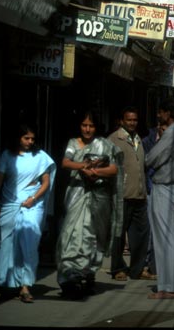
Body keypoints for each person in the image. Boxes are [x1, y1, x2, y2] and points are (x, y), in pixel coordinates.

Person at [56, 110, 123, 299]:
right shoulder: (73, 143)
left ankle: (86, 275)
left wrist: (96, 173)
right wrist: (84, 167)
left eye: (91, 125)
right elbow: (66, 163)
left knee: (93, 237)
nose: (87, 129)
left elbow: (114, 169)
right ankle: (70, 277)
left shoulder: (104, 145)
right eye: (84, 125)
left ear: (96, 127)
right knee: (72, 235)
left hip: (99, 198)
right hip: (76, 196)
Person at [0, 122, 56, 303]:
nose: (30, 141)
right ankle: (7, 283)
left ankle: (25, 285)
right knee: (6, 244)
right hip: (9, 203)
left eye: (33, 138)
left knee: (28, 243)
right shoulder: (7, 155)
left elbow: (45, 183)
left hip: (31, 205)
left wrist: (33, 199)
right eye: (26, 138)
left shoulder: (40, 156)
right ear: (17, 138)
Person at [145, 97, 174, 299]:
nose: (158, 116)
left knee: (164, 240)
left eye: (161, 112)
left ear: (167, 113)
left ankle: (168, 287)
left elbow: (151, 158)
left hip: (165, 188)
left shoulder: (171, 134)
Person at [108, 106, 153, 281]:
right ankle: (118, 268)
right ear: (122, 121)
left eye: (135, 120)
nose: (132, 123)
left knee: (141, 234)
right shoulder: (113, 139)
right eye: (129, 120)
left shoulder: (138, 139)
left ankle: (137, 269)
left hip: (139, 195)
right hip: (121, 195)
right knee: (118, 234)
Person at [142, 122, 168, 275]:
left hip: (166, 191)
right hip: (151, 189)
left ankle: (156, 265)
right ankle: (147, 263)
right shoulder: (148, 142)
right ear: (159, 127)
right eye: (164, 129)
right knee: (151, 229)